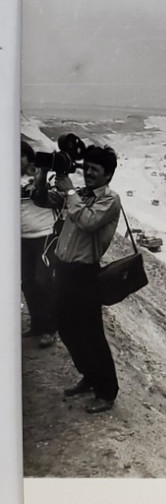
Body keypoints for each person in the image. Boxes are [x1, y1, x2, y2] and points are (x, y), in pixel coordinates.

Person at [32, 144, 122, 414]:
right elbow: (41, 199)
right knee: (67, 328)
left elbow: (87, 221)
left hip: (85, 274)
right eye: (88, 168)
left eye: (95, 170)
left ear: (108, 175)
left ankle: (106, 392)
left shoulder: (109, 199)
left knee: (92, 334)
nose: (89, 174)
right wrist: (43, 173)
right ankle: (89, 377)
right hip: (64, 271)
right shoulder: (79, 194)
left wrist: (70, 190)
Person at [20, 141, 57, 348]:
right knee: (27, 282)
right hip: (21, 237)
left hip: (45, 234)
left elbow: (52, 193)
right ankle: (37, 324)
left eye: (20, 156)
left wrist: (41, 174)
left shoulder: (43, 174)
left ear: (28, 156)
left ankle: (51, 328)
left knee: (43, 280)